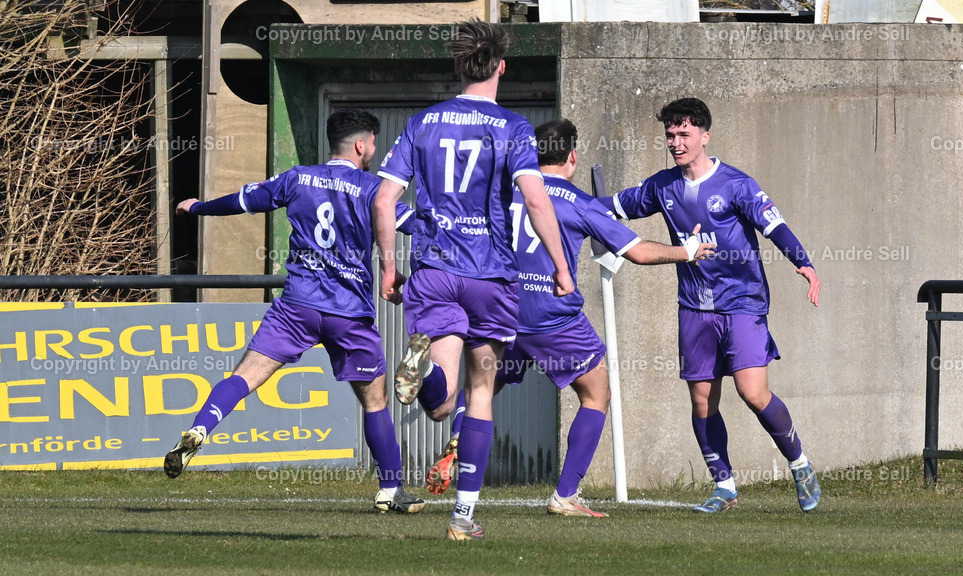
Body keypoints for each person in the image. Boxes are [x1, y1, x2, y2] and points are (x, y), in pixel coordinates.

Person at [423, 118, 717, 518]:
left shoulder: (502, 192)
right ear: (573, 157)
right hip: (551, 320)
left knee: (482, 388)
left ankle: (457, 433)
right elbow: (638, 252)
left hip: (500, 311)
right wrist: (688, 250)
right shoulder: (579, 202)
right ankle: (565, 495)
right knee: (597, 393)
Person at [165, 109, 425, 515]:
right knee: (375, 403)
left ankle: (200, 427)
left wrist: (197, 207)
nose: (374, 149)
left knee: (243, 376)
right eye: (373, 142)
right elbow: (416, 226)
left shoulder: (297, 178)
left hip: (297, 306)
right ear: (361, 145)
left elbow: (242, 200)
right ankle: (390, 489)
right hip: (348, 313)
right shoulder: (377, 191)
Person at [373, 19, 574, 541]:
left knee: (440, 405)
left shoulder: (423, 123)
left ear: (460, 65)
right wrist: (561, 267)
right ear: (501, 67)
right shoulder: (514, 128)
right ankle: (463, 516)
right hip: (491, 278)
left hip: (436, 271)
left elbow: (383, 200)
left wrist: (391, 267)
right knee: (481, 387)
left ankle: (424, 370)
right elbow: (535, 200)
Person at [601, 98, 822, 513]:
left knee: (753, 393)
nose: (676, 142)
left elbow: (775, 226)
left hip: (742, 302)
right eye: (670, 134)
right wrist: (568, 206)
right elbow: (612, 206)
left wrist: (804, 263)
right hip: (694, 307)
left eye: (684, 134)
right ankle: (724, 487)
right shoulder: (662, 186)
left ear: (705, 135)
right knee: (702, 401)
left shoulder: (737, 185)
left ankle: (800, 464)